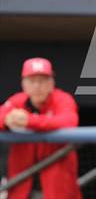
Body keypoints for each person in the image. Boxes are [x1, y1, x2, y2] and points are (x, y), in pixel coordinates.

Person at [0, 58, 81, 199]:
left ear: (51, 83)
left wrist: (28, 120)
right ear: (23, 84)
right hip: (21, 187)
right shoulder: (17, 101)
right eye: (32, 81)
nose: (37, 86)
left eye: (42, 80)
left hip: (57, 187)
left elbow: (69, 121)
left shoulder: (62, 99)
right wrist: (7, 120)